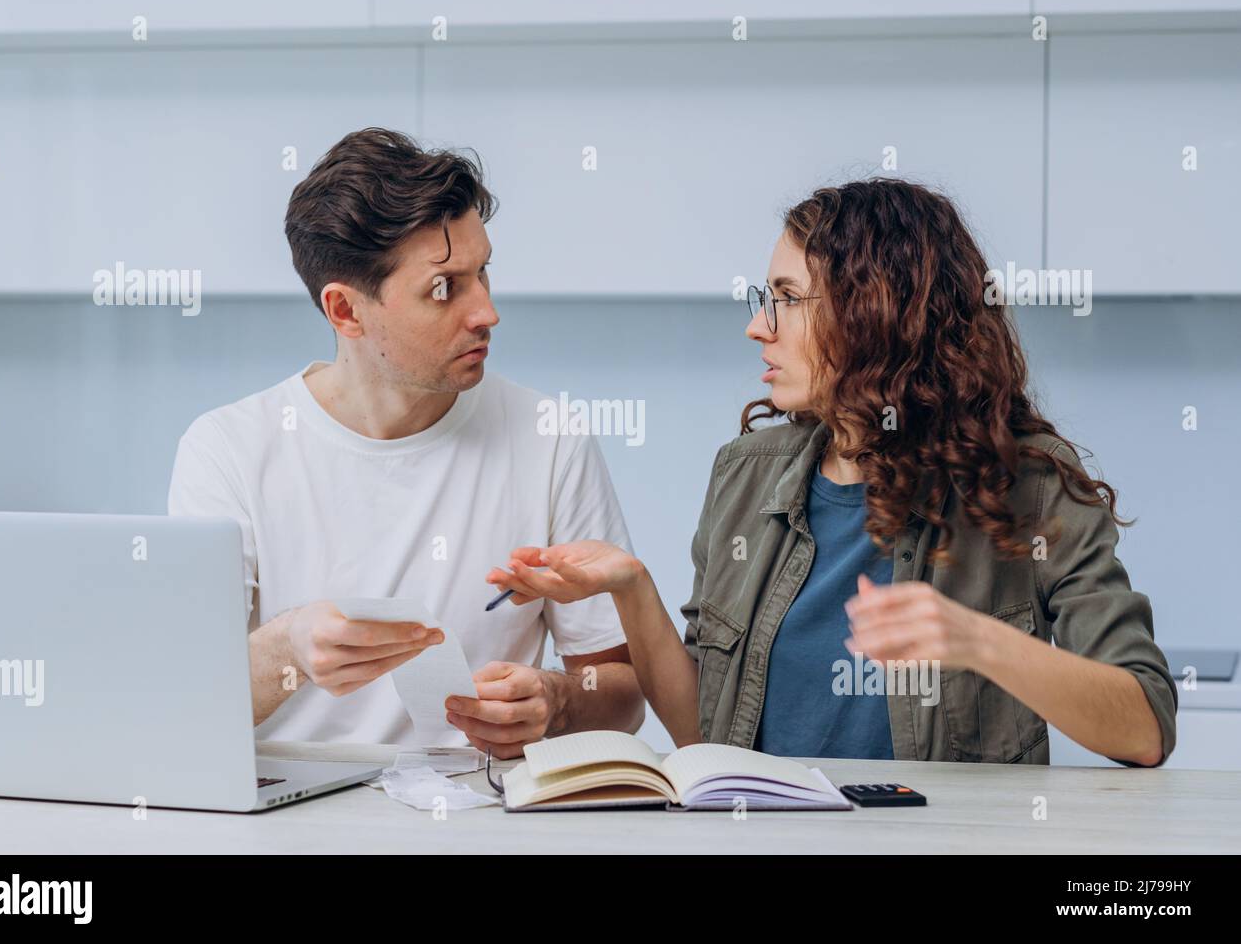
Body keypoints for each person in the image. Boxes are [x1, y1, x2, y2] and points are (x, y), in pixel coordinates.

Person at [486, 178, 1177, 766]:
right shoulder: (746, 476)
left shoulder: (1029, 485)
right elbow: (705, 736)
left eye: (786, 297)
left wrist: (979, 641)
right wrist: (632, 587)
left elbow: (1145, 725)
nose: (759, 326)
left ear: (875, 313)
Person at [168, 128, 644, 756]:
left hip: (480, 814)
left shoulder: (550, 440)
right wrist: (287, 651)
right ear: (346, 311)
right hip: (286, 821)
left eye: (483, 274)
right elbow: (184, 702)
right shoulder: (227, 449)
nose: (486, 312)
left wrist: (558, 699)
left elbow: (622, 691)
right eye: (444, 288)